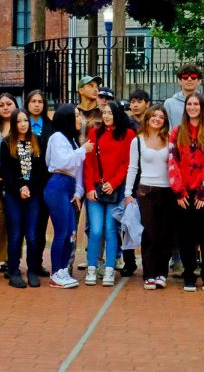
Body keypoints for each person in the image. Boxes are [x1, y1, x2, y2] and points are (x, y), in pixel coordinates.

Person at [169, 93, 204, 291]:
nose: (192, 107)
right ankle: (189, 274)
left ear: (202, 107)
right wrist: (179, 192)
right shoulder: (177, 131)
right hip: (183, 193)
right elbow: (172, 160)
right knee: (186, 236)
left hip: (203, 194)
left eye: (196, 104)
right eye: (189, 104)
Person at [83, 101, 135, 286]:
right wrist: (89, 187)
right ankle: (92, 267)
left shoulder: (128, 135)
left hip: (115, 189)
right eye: (104, 113)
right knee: (96, 230)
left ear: (117, 115)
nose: (106, 116)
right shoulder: (94, 133)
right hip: (95, 190)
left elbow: (127, 164)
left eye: (110, 113)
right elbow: (88, 163)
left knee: (112, 230)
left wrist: (113, 183)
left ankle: (110, 269)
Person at [44, 105, 93, 288]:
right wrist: (82, 150)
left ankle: (63, 269)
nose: (80, 119)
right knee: (62, 232)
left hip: (69, 187)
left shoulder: (71, 140)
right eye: (76, 116)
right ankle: (56, 272)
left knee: (71, 233)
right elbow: (60, 162)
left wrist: (78, 192)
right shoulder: (57, 137)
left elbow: (77, 170)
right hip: (57, 185)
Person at [126, 106, 174, 290]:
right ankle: (149, 273)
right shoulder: (137, 141)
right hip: (146, 191)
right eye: (154, 115)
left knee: (165, 234)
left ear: (165, 121)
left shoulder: (171, 140)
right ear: (147, 118)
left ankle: (162, 273)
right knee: (150, 234)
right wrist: (128, 193)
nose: (157, 119)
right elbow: (133, 168)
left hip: (168, 190)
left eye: (161, 117)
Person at [0, 108, 46, 288]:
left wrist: (30, 188)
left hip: (33, 193)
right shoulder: (6, 144)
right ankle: (14, 271)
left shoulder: (37, 141)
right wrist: (19, 189)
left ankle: (33, 270)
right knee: (16, 234)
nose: (23, 124)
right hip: (13, 194)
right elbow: (6, 172)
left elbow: (41, 170)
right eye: (19, 121)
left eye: (25, 120)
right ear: (13, 123)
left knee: (32, 235)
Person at [22, 90, 55, 278]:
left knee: (41, 226)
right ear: (27, 103)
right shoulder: (20, 123)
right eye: (33, 101)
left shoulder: (51, 126)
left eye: (40, 101)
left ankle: (37, 263)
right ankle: (17, 263)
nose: (36, 104)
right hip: (24, 183)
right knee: (23, 226)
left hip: (45, 182)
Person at [121, 89, 149, 273]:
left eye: (139, 101)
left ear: (147, 103)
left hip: (150, 177)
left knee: (150, 222)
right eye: (132, 101)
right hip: (129, 176)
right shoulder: (126, 124)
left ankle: (150, 262)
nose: (135, 104)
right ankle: (129, 262)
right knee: (127, 221)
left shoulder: (153, 122)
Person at [0, 93, 17, 275]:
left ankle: (9, 258)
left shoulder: (22, 124)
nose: (5, 107)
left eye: (9, 104)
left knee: (13, 221)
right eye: (1, 105)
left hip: (16, 182)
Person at [163, 64, 204, 130]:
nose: (189, 79)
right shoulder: (169, 104)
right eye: (185, 77)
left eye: (193, 77)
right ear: (179, 81)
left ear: (199, 81)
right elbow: (167, 130)